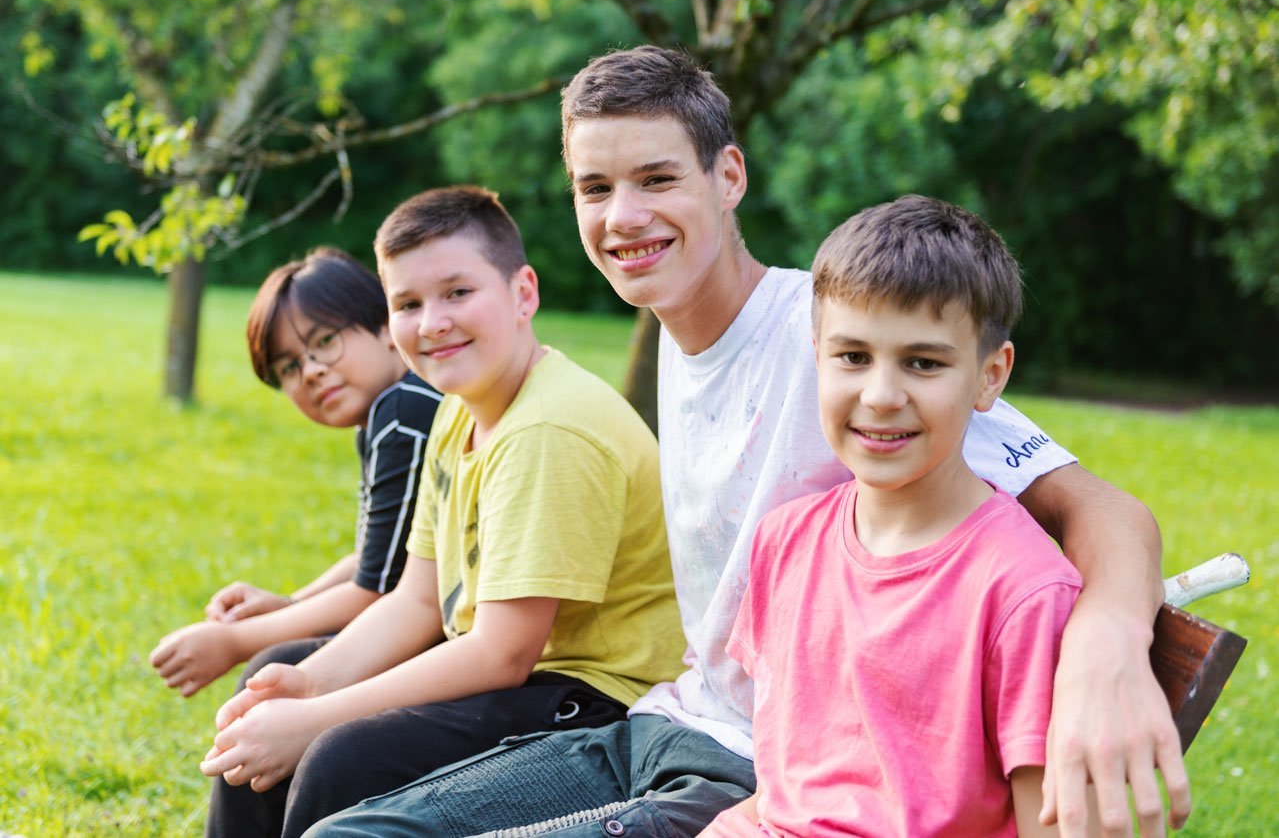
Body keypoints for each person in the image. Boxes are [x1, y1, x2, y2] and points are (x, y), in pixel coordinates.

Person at [309, 46, 1186, 838]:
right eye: (594, 187)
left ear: (727, 176)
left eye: (656, 178)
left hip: (766, 770)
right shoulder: (681, 342)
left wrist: (1107, 642)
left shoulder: (838, 342)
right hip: (670, 722)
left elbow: (1100, 509)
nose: (623, 216)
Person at [198, 185, 686, 838]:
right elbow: (418, 600)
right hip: (524, 678)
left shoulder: (549, 429)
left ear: (523, 293)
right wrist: (306, 686)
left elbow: (502, 653)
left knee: (340, 756)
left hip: (604, 703)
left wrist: (319, 717)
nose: (431, 323)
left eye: (457, 292)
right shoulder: (458, 411)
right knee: (269, 690)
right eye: (408, 304)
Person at [702, 194, 1090, 836]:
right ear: (816, 355)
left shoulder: (1022, 591)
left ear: (991, 376)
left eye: (923, 363)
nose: (881, 396)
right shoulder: (785, 539)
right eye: (853, 357)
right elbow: (784, 784)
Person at [149, 247, 442, 700]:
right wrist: (288, 605)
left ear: (385, 326)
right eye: (289, 367)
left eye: (325, 342)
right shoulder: (388, 415)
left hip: (472, 637)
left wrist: (235, 641)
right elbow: (379, 558)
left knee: (276, 669)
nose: (311, 372)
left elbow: (376, 592)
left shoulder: (404, 413)